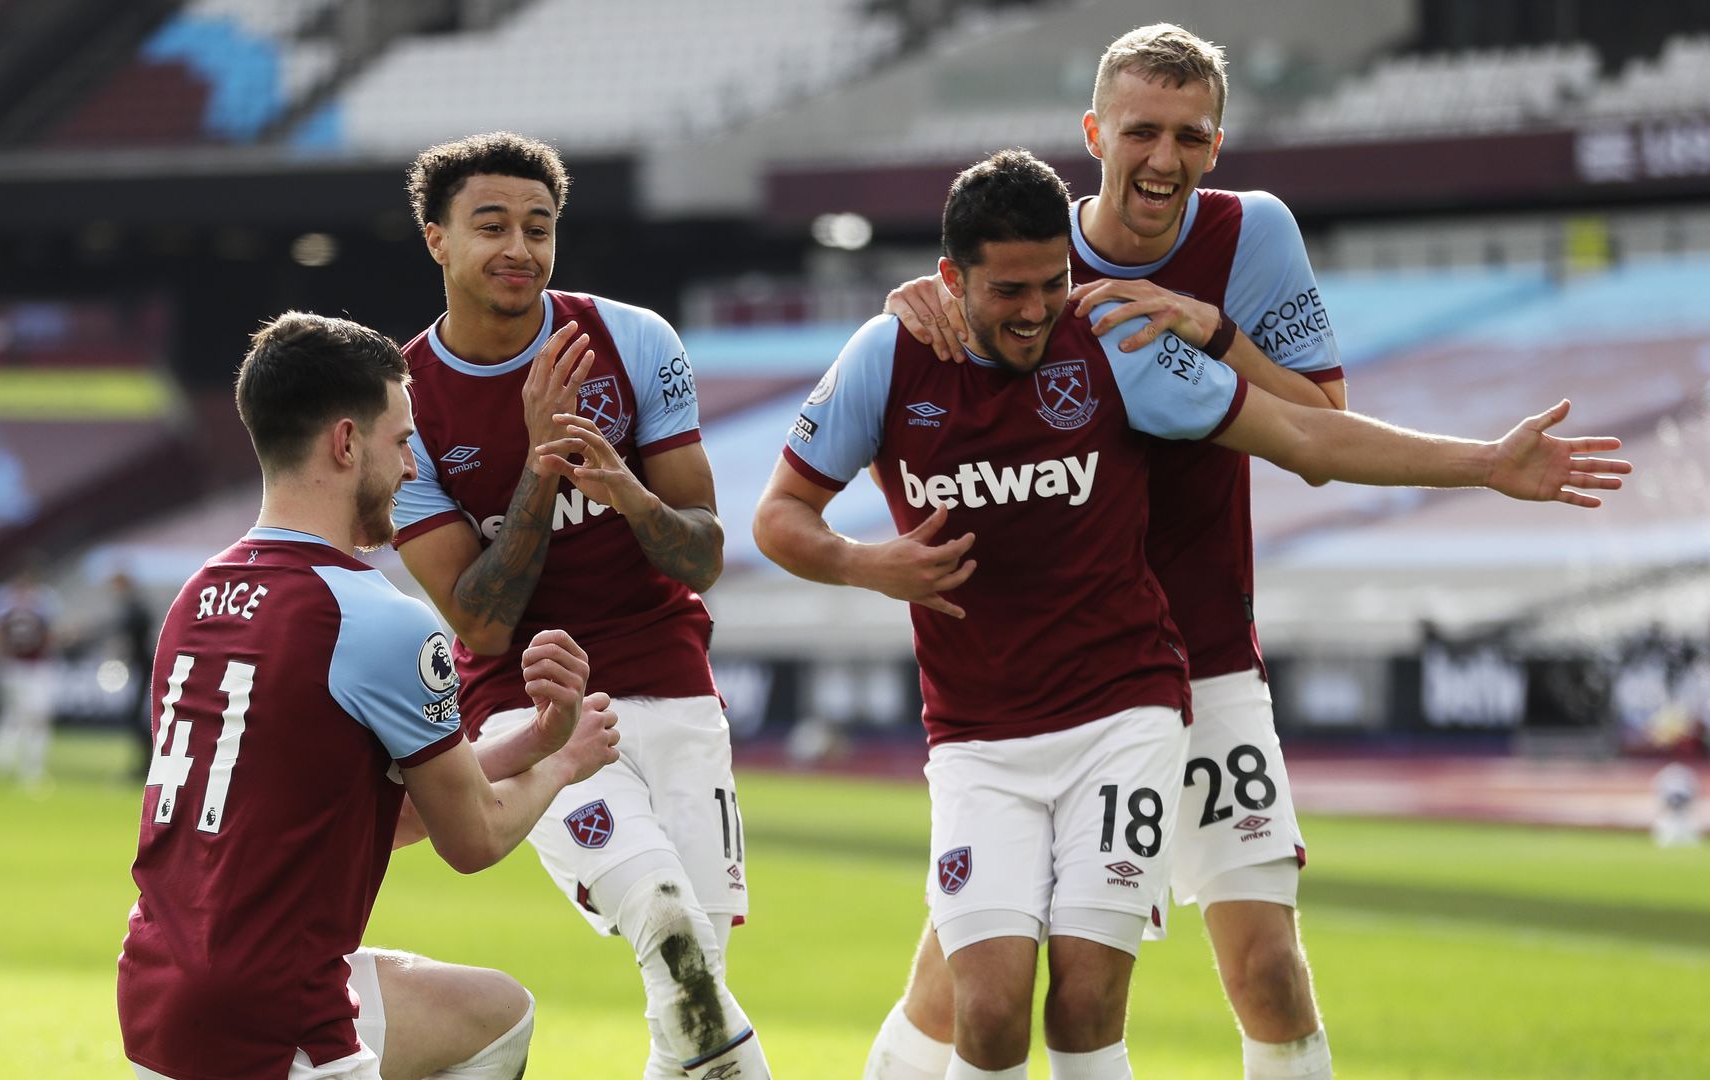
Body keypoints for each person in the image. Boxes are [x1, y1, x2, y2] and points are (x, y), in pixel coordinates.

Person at [753, 148, 1628, 1080]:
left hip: (1125, 714)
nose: (1036, 309)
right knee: (987, 1005)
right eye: (1008, 289)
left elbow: (1303, 431)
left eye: (1054, 283)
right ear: (949, 280)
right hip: (977, 736)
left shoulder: (1117, 344)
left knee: (1091, 1001)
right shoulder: (887, 357)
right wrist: (862, 563)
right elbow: (777, 515)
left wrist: (1487, 463)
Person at [874, 24, 1344, 1080]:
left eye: (1189, 134)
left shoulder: (1253, 235)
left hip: (1206, 649)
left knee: (1267, 965)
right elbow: (926, 384)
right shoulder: (1031, 257)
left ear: (1217, 143)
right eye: (1141, 131)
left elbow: (1319, 427)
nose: (1164, 158)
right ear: (1096, 132)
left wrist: (1210, 330)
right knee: (968, 989)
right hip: (1047, 677)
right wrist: (917, 306)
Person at [116, 311, 621, 1080]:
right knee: (497, 1028)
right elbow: (472, 838)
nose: (414, 466)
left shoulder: (195, 600)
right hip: (273, 1013)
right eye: (401, 440)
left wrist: (535, 740)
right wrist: (565, 766)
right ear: (346, 444)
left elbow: (354, 818)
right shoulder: (374, 616)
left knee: (497, 1013)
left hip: (160, 988)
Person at [391, 132, 769, 1079]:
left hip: (673, 683)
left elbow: (706, 554)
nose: (519, 246)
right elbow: (476, 622)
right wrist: (538, 466)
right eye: (492, 225)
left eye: (539, 226)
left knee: (692, 986)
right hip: (530, 711)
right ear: (436, 239)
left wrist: (630, 497)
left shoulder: (633, 339)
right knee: (668, 924)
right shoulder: (400, 400)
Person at [0, 559, 64, 786]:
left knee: (31, 716)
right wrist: (0, 657)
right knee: (21, 716)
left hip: (38, 664)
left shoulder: (44, 598)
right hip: (14, 665)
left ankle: (20, 767)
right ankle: (14, 767)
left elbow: (52, 633)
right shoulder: (0, 599)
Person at [105, 570, 157, 780]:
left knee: (139, 718)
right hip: (139, 666)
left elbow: (126, 629)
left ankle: (147, 766)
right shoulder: (133, 606)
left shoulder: (135, 607)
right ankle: (144, 765)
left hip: (143, 667)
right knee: (137, 718)